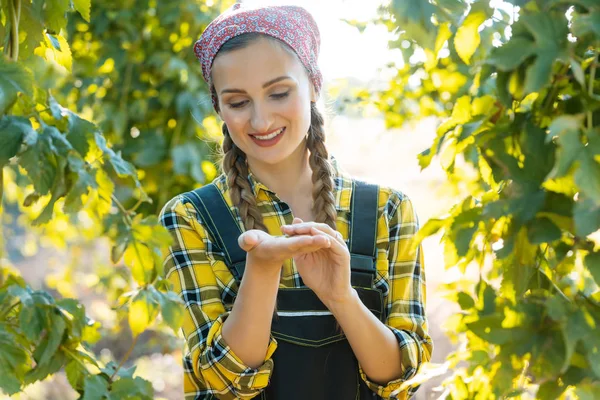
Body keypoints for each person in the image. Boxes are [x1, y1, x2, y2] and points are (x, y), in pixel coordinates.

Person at [159, 2, 433, 399]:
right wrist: (263, 269)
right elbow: (224, 383)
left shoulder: (387, 211)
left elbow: (402, 381)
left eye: (279, 93)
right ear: (218, 106)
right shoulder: (192, 217)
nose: (261, 120)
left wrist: (341, 297)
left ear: (314, 85)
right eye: (238, 102)